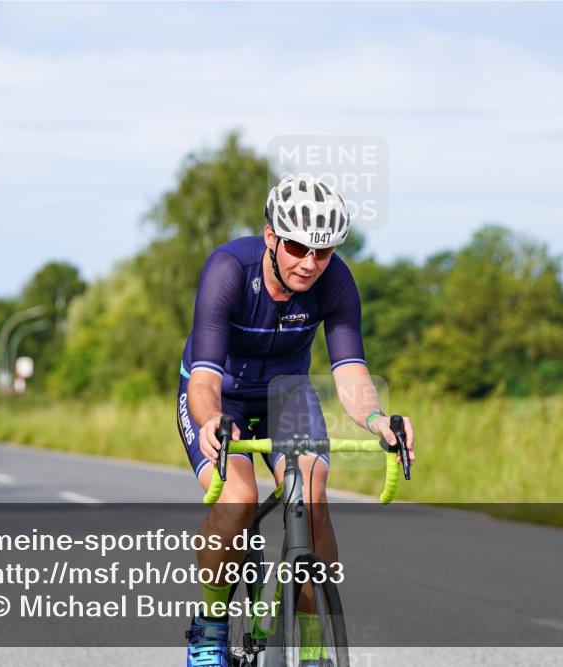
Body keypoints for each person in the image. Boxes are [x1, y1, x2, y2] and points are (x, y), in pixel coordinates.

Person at [178, 175, 415, 667]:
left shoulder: (336, 281)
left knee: (313, 494)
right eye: (296, 247)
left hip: (286, 394)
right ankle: (210, 627)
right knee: (238, 497)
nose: (309, 262)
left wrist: (376, 421)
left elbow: (350, 373)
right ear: (271, 238)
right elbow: (203, 379)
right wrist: (211, 422)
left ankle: (311, 648)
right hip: (222, 394)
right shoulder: (228, 270)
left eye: (322, 251)